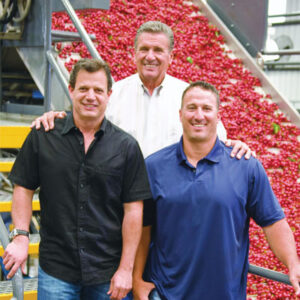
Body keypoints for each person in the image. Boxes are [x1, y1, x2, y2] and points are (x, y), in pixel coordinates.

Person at [133, 81, 300, 300]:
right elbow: (143, 229)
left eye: (207, 108)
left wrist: (293, 263)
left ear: (218, 115)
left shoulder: (245, 166)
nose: (199, 115)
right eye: (192, 108)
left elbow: (273, 222)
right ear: (180, 114)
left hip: (224, 294)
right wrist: (137, 279)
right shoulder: (154, 166)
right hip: (165, 294)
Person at [2, 58, 152, 300]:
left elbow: (133, 211)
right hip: (56, 271)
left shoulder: (126, 147)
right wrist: (20, 237)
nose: (90, 96)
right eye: (83, 88)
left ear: (108, 94)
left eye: (98, 90)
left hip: (108, 273)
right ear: (71, 90)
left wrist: (126, 269)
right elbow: (23, 187)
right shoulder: (43, 136)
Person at [32, 21, 253, 160]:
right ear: (134, 54)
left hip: (172, 199)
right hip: (121, 197)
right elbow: (84, 125)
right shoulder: (113, 94)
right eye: (144, 49)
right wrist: (58, 118)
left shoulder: (188, 97)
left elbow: (217, 141)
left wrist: (236, 145)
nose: (150, 56)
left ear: (171, 57)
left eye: (158, 50)